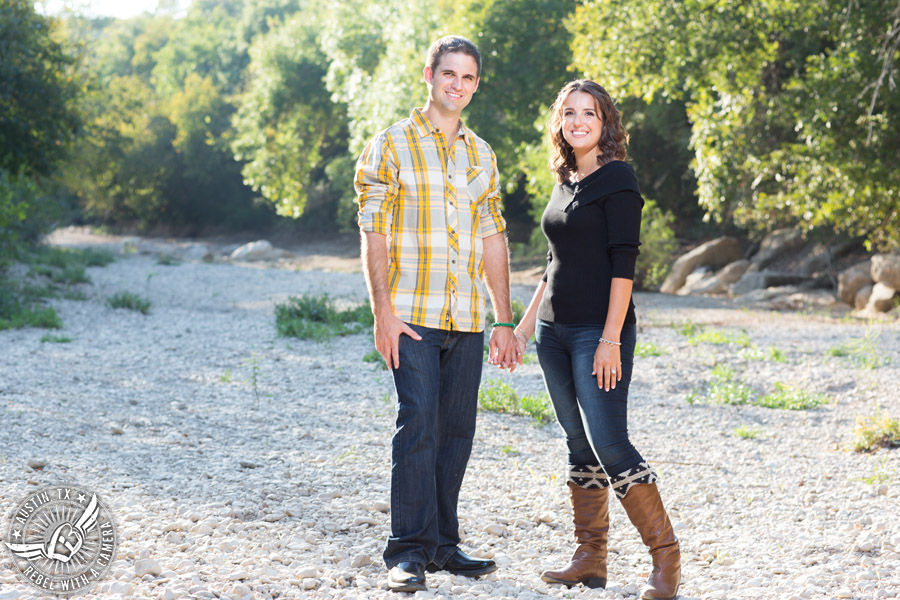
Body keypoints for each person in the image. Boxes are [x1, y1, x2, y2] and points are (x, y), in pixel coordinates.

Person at [354, 35, 519, 594]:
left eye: (468, 78)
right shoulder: (390, 145)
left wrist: (503, 319)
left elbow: (494, 235)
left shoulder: (483, 154)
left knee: (457, 430)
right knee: (417, 422)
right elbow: (373, 233)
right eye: (449, 74)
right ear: (428, 75)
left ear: (476, 84)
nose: (458, 85)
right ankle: (406, 550)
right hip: (412, 314)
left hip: (469, 317)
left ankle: (444, 545)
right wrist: (382, 313)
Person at [511, 80, 681, 600]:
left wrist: (610, 339)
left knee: (610, 442)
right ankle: (590, 558)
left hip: (596, 333)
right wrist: (522, 326)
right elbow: (553, 262)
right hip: (552, 332)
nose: (579, 121)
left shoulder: (618, 180)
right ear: (560, 121)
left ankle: (665, 563)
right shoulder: (566, 178)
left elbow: (623, 266)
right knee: (577, 442)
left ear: (606, 122)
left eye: (590, 113)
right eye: (570, 112)